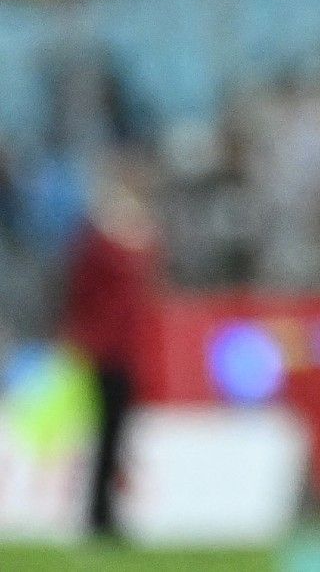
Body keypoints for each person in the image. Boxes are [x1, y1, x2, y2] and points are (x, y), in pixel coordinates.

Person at [64, 155, 163, 539]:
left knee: (116, 431)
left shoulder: (125, 235)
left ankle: (104, 511)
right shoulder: (102, 239)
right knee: (108, 431)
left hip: (121, 347)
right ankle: (99, 514)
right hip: (106, 349)